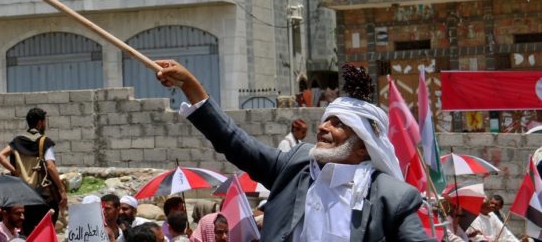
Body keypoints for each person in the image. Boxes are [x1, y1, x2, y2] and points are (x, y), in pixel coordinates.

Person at [154, 60, 429, 241]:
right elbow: (233, 141)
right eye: (326, 119)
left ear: (363, 148)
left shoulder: (391, 198)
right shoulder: (295, 167)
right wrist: (190, 85)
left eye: (339, 124)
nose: (323, 128)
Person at [0, 107, 66, 235]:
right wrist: (62, 190)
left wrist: (15, 171)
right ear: (40, 123)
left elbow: (0, 156)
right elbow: (50, 167)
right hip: (43, 198)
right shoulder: (44, 142)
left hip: (23, 197)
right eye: (44, 121)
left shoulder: (16, 141)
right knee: (45, 232)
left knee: (28, 233)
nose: (45, 124)